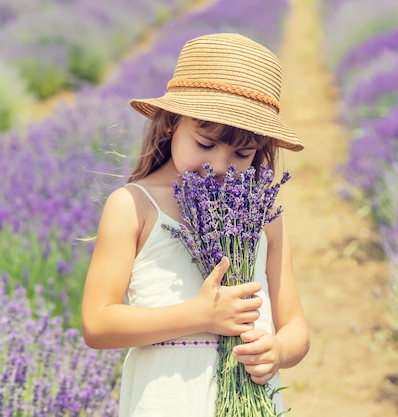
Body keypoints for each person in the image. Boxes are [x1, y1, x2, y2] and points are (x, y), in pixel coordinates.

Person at [81, 33, 310, 416]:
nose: (219, 166)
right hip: (165, 401)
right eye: (205, 145)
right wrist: (200, 316)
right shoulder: (134, 206)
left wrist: (278, 350)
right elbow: (97, 323)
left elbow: (296, 328)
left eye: (242, 153)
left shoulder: (264, 214)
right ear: (171, 123)